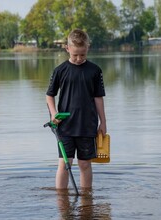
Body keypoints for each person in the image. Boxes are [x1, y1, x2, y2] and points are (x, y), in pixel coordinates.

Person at [46, 29, 107, 189]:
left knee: (85, 164)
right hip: (65, 126)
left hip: (87, 125)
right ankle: (62, 201)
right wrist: (53, 114)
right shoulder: (60, 71)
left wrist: (103, 122)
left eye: (82, 55)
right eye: (75, 55)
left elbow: (98, 98)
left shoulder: (95, 71)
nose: (79, 58)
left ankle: (87, 201)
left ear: (88, 48)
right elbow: (49, 96)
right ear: (67, 49)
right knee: (65, 164)